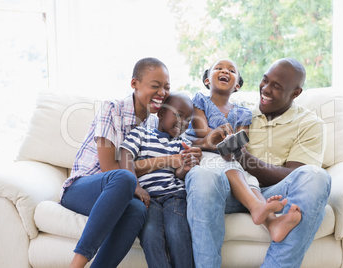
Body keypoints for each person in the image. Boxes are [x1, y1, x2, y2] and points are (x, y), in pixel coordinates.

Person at [185, 58, 332, 268]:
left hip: (273, 194)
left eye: (276, 86)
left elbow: (294, 175)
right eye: (265, 81)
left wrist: (241, 157)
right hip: (227, 191)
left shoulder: (310, 124)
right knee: (202, 174)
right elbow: (202, 138)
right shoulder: (244, 112)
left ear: (296, 93)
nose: (266, 89)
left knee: (317, 177)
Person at [59, 57, 200, 268]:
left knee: (137, 209)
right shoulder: (111, 110)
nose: (162, 92)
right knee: (124, 178)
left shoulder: (155, 123)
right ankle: (76, 264)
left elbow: (181, 143)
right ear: (134, 84)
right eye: (155, 86)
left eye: (166, 87)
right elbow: (112, 170)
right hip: (84, 189)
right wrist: (166, 161)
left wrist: (197, 151)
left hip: (123, 194)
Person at [184, 58, 299, 241]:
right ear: (207, 80)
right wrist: (218, 136)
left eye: (232, 70)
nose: (225, 71)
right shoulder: (200, 101)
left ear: (237, 85)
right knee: (230, 168)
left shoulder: (243, 113)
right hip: (203, 152)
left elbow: (241, 142)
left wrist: (233, 146)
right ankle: (258, 209)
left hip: (229, 159)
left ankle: (272, 223)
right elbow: (200, 130)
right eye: (219, 68)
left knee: (250, 179)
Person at [118, 93, 198, 268]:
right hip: (147, 198)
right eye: (178, 115)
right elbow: (125, 156)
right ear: (160, 113)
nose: (182, 122)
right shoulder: (141, 133)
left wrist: (184, 169)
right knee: (151, 236)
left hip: (174, 196)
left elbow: (179, 174)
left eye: (188, 119)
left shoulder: (182, 143)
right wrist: (136, 187)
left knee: (177, 233)